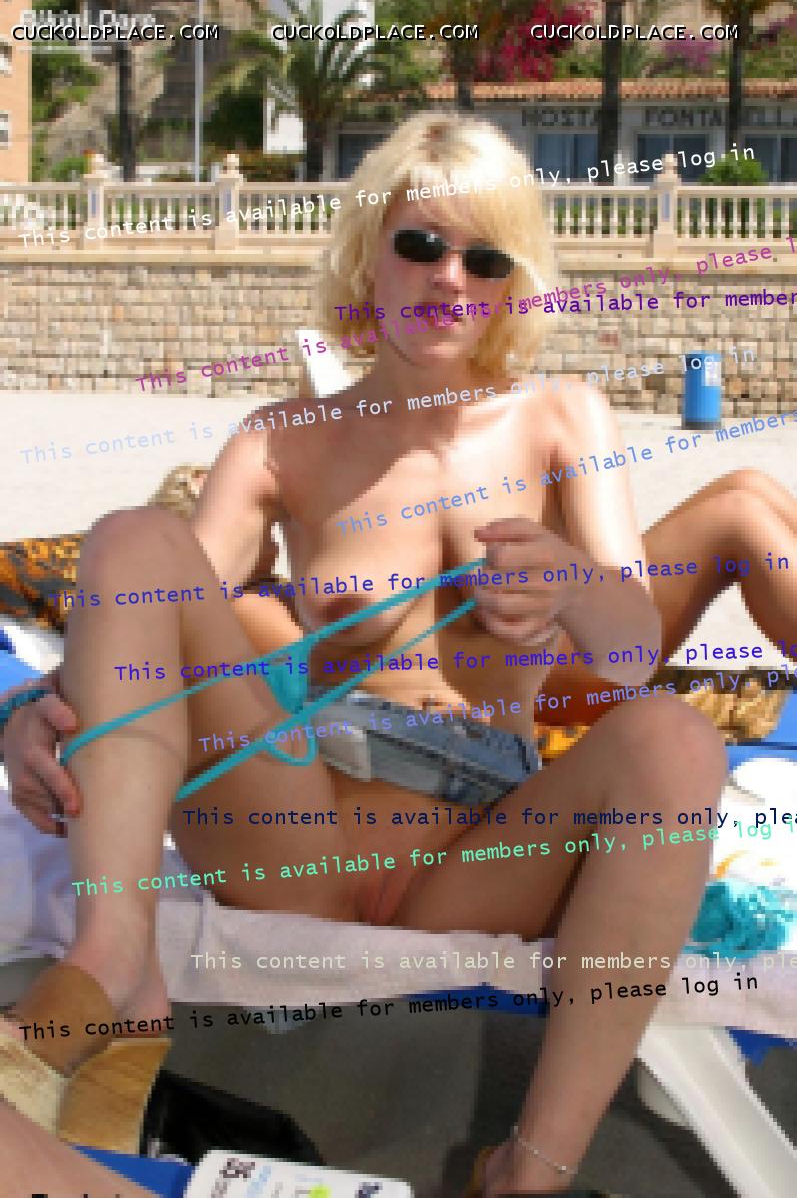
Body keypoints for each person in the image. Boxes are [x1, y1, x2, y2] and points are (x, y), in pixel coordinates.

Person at [0, 112, 727, 1195]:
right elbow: (144, 622)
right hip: (300, 823)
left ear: (513, 282)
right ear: (366, 256)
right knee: (134, 537)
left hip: (481, 854)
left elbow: (628, 654)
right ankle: (110, 976)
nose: (451, 278)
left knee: (673, 738)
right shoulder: (281, 441)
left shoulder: (560, 417)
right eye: (420, 243)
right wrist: (27, 711)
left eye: (486, 257)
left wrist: (572, 583)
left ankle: (526, 1171)